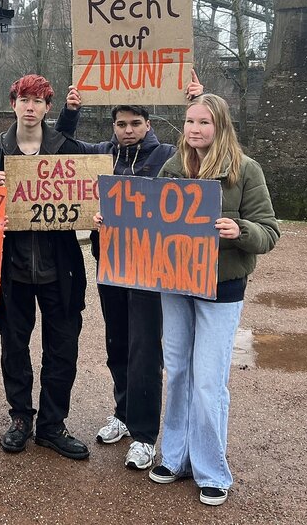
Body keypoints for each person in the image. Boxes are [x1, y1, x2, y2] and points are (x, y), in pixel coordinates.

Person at [62, 73, 203, 471]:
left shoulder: (168, 156)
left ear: (148, 125)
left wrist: (200, 98)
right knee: (117, 343)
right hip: (110, 265)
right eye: (121, 124)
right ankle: (123, 413)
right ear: (113, 127)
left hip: (150, 269)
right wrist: (71, 111)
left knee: (144, 349)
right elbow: (64, 148)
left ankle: (144, 435)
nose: (127, 131)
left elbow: (203, 154)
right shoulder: (103, 154)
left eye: (135, 124)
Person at [149, 92, 279, 506]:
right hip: (175, 283)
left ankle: (211, 470)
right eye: (190, 122)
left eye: (204, 123)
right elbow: (148, 217)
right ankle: (174, 456)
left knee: (208, 382)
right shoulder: (173, 167)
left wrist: (239, 229)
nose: (195, 130)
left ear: (220, 126)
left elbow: (269, 231)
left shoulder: (245, 171)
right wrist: (112, 221)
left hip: (221, 289)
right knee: (179, 372)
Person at [0, 74, 90, 460]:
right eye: (23, 99)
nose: (30, 107)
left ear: (48, 107)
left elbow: (87, 197)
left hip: (59, 270)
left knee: (62, 349)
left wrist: (95, 213)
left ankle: (51, 424)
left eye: (38, 101)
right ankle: (20, 418)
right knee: (14, 347)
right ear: (13, 103)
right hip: (11, 272)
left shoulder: (68, 150)